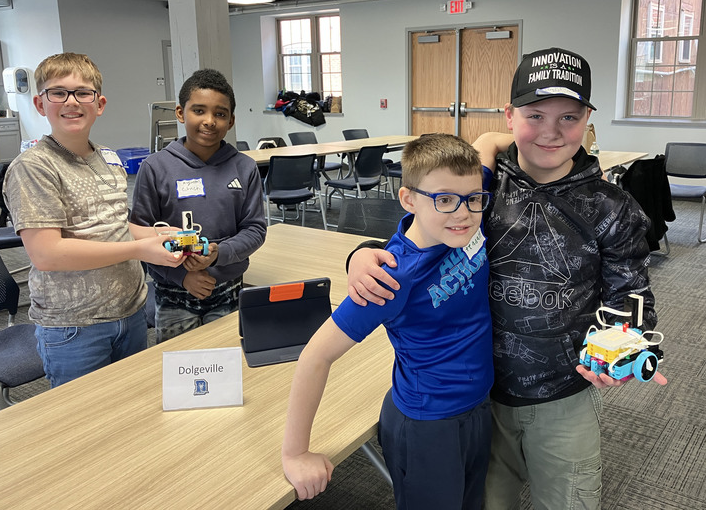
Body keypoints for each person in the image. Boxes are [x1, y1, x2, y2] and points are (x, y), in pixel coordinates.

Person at [347, 47, 667, 510]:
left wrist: (624, 342)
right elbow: (421, 232)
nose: (551, 132)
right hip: (482, 400)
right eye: (535, 115)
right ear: (510, 113)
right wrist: (363, 254)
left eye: (569, 118)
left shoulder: (610, 208)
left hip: (564, 395)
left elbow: (630, 290)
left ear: (588, 121)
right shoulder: (482, 187)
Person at [282, 134, 493, 509]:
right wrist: (296, 453)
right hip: (429, 424)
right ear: (408, 199)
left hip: (476, 409)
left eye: (473, 199)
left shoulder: (464, 216)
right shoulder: (391, 275)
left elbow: (490, 140)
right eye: (444, 200)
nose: (462, 213)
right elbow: (315, 355)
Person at [3, 52, 185, 388]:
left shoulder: (109, 159)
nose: (71, 102)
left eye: (82, 92)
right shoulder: (33, 167)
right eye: (58, 92)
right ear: (40, 104)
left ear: (99, 104)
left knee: (133, 413)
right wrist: (139, 250)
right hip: (75, 327)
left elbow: (114, 225)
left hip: (129, 312)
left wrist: (155, 234)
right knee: (86, 429)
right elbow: (48, 254)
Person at [130, 68, 266, 342]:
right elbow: (139, 236)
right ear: (181, 113)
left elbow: (254, 230)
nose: (209, 121)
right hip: (174, 294)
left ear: (231, 120)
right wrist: (180, 276)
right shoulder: (155, 167)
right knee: (180, 371)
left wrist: (219, 253)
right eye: (199, 111)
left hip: (228, 288)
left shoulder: (244, 167)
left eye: (220, 114)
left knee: (229, 366)